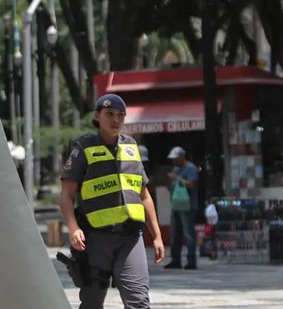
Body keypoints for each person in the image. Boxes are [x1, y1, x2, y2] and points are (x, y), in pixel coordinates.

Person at [60, 93, 165, 309]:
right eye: (110, 114)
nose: (116, 120)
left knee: (139, 302)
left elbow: (144, 195)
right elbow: (66, 195)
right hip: (97, 239)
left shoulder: (131, 147)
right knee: (92, 303)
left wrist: (157, 236)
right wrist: (73, 228)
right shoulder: (83, 148)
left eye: (120, 115)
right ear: (98, 116)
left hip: (131, 237)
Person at [163, 146, 200, 270]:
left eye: (176, 158)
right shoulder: (176, 168)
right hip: (176, 205)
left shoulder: (191, 168)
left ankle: (191, 260)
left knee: (188, 234)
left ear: (182, 157)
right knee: (175, 233)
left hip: (188, 206)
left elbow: (191, 184)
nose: (174, 161)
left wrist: (177, 178)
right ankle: (175, 260)